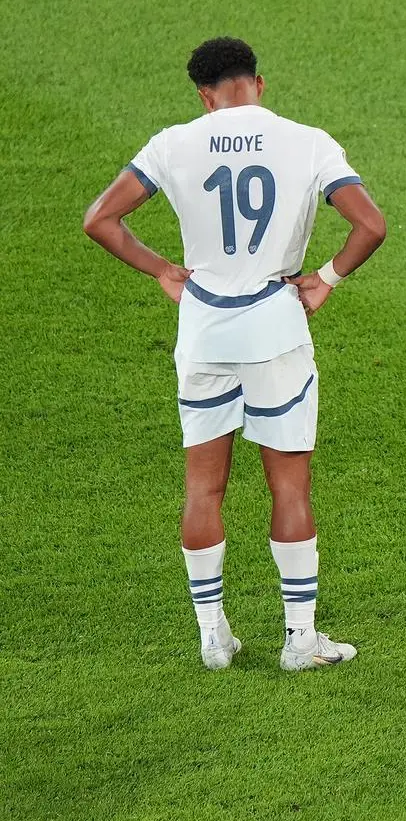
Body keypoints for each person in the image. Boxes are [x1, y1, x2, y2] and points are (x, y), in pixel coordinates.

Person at [83, 37, 387, 671]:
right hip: (276, 326)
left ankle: (212, 637)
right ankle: (301, 640)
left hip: (203, 330)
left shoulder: (173, 142)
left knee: (203, 486)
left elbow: (100, 219)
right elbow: (371, 225)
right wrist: (326, 278)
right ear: (259, 84)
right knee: (289, 481)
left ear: (204, 95)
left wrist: (164, 269)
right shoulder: (307, 141)